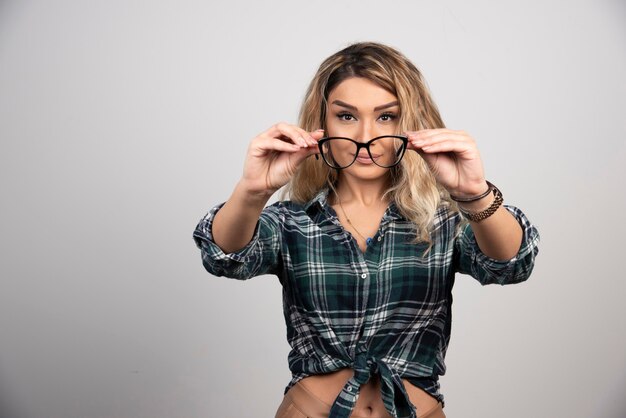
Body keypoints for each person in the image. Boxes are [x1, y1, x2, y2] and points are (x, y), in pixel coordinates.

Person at [192, 42, 540, 418]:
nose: (363, 134)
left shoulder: (444, 220)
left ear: (409, 123)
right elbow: (225, 257)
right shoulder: (292, 221)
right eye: (346, 116)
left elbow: (512, 264)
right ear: (323, 122)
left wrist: (474, 194)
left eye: (386, 117)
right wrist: (251, 191)